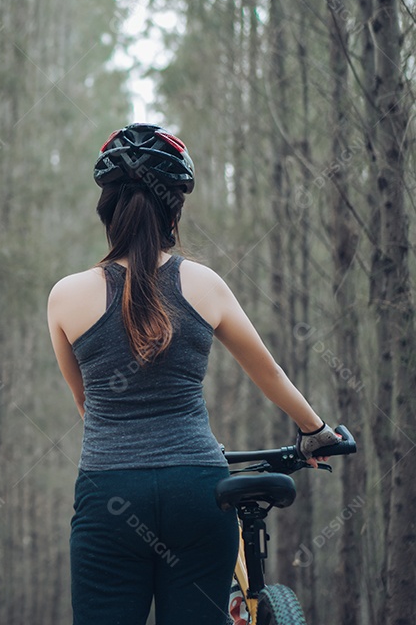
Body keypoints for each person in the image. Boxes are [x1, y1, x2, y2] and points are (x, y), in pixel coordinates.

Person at [45, 123, 341, 625]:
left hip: (110, 495)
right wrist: (316, 432)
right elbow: (268, 373)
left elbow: (85, 402)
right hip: (198, 490)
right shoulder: (203, 284)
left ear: (106, 209)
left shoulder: (66, 296)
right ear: (174, 208)